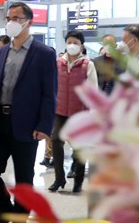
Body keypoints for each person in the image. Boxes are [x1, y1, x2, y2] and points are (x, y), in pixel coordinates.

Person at [0, 2, 57, 221]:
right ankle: (8, 214)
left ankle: (20, 217)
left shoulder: (43, 53)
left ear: (29, 22)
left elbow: (49, 93)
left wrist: (44, 126)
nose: (11, 23)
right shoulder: (2, 51)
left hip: (27, 123)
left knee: (24, 178)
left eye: (16, 18)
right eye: (9, 19)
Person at [48, 30, 97, 194]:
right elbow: (52, 86)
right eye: (69, 42)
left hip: (80, 112)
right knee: (55, 140)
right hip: (60, 110)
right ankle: (59, 178)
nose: (72, 45)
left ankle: (78, 181)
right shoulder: (58, 63)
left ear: (82, 45)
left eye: (75, 42)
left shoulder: (87, 65)